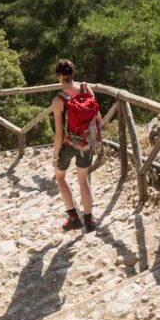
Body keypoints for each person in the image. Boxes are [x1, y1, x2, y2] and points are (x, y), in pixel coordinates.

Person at [51, 58, 97, 232]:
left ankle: (73, 217)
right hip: (87, 142)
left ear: (58, 77)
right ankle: (89, 220)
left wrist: (55, 156)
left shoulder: (59, 100)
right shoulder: (86, 88)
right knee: (83, 180)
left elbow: (58, 133)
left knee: (60, 177)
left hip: (69, 144)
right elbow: (96, 116)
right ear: (73, 73)